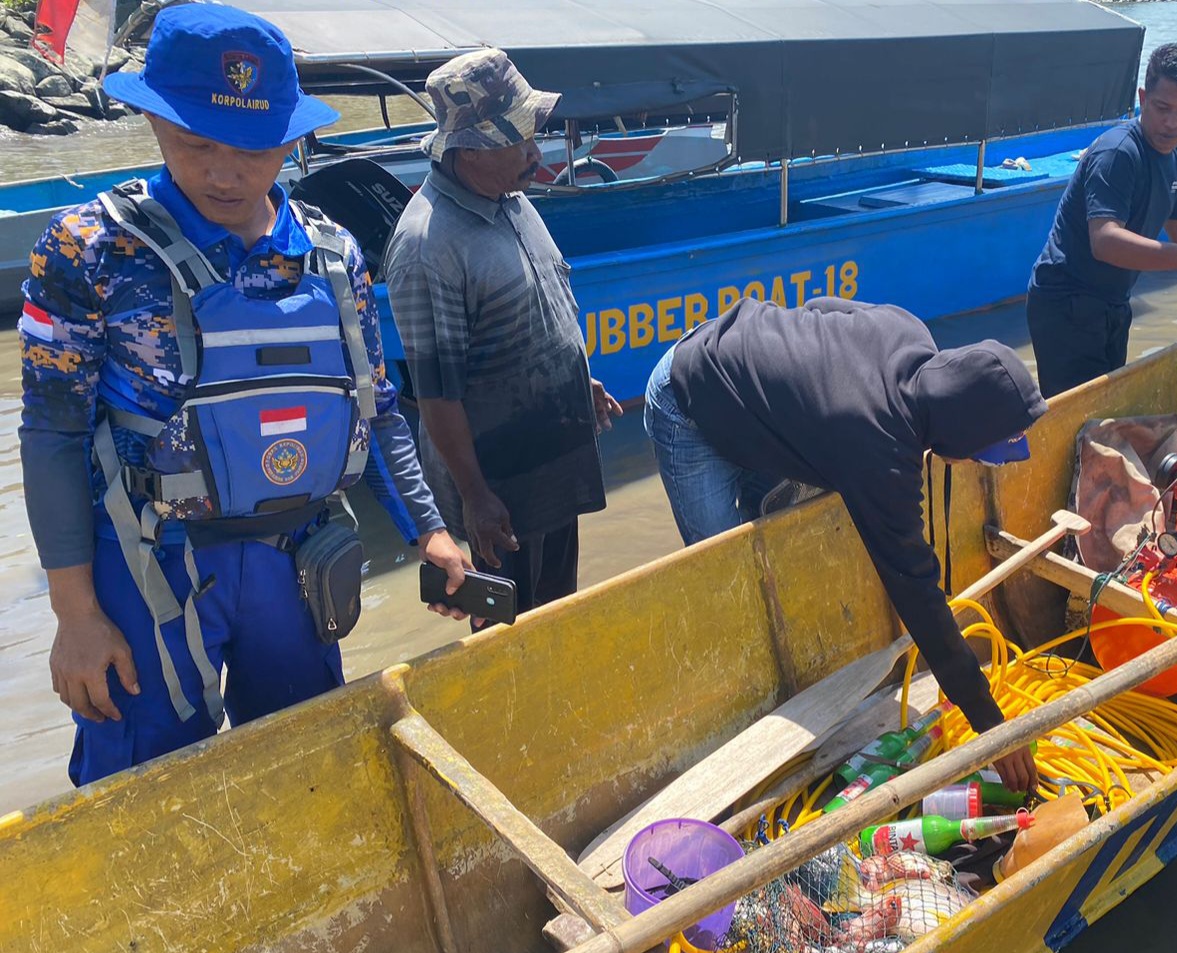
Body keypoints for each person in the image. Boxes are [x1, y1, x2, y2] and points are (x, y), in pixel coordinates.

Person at [16, 5, 470, 785]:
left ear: (290, 140)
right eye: (197, 142)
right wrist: (74, 615)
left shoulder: (335, 255)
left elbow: (378, 407)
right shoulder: (89, 248)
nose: (224, 172)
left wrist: (429, 531)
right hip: (148, 565)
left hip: (298, 567)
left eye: (255, 149)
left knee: (302, 771)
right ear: (151, 122)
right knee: (146, 794)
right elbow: (51, 435)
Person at [643, 297, 1046, 792]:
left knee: (774, 530)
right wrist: (990, 724)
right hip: (689, 397)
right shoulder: (877, 447)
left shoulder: (909, 329)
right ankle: (736, 727)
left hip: (744, 368)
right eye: (977, 456)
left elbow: (820, 307)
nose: (972, 465)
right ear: (955, 436)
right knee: (725, 580)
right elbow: (917, 592)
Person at [385, 50, 621, 618]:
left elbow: (540, 311)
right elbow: (437, 394)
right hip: (499, 486)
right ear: (468, 150)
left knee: (557, 615)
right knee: (506, 635)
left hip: (553, 453)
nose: (536, 154)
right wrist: (475, 498)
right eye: (518, 139)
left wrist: (576, 381)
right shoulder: (427, 247)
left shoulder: (513, 200)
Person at [1026, 42, 1177, 397]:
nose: (1171, 122)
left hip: (1113, 302)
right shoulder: (1118, 153)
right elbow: (1105, 241)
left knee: (1107, 407)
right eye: (1162, 107)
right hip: (1066, 303)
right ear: (1142, 97)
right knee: (1079, 419)